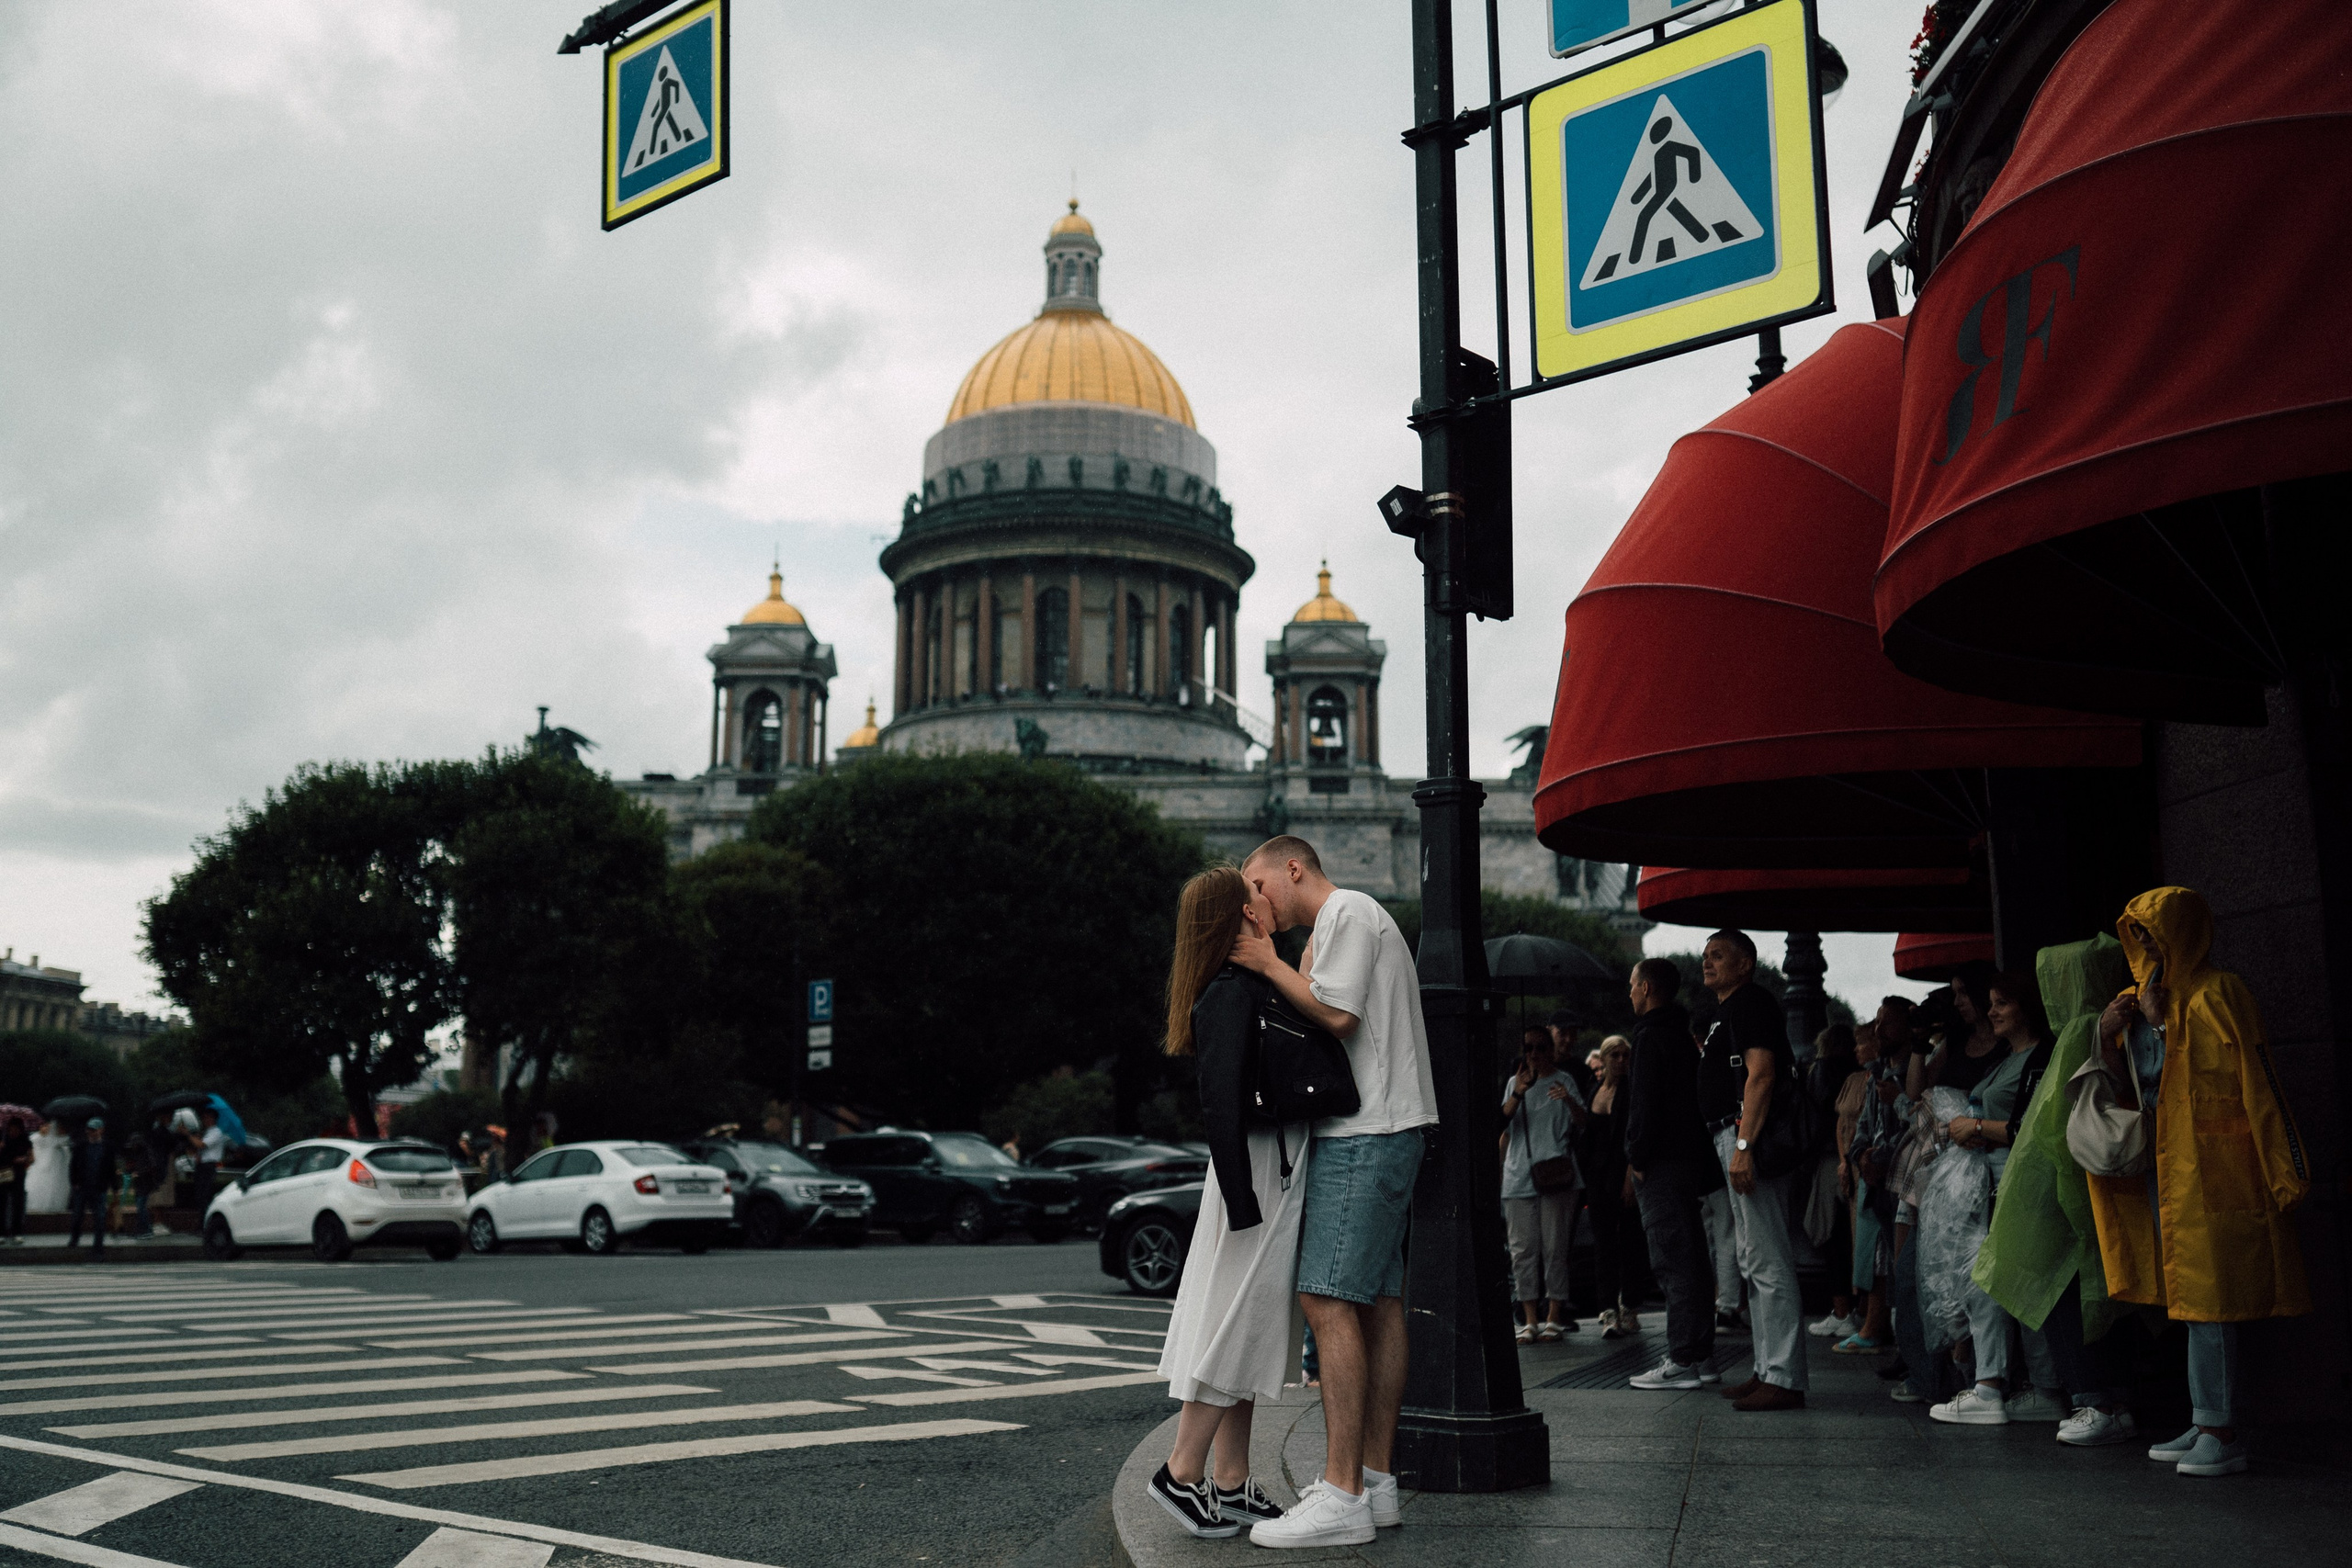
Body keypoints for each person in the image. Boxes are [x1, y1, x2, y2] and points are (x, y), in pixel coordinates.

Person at [1233, 835, 1435, 1548]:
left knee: (1324, 1297)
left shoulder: (1347, 910)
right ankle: (1375, 1483)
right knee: (1378, 1303)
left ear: (1294, 868)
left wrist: (1264, 962)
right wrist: (1284, 964)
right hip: (1386, 1128)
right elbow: (1320, 1008)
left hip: (1366, 1131)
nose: (1253, 900)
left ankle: (1343, 1490)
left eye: (1257, 883)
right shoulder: (1342, 922)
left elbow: (1337, 1015)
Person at [2087, 887, 2310, 1479]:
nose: (2150, 946)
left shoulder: (2219, 993)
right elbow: (2125, 1086)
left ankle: (2220, 1427)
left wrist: (2284, 1169)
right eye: (2140, 936)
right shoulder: (2134, 1001)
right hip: (2166, 1169)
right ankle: (2207, 1417)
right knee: (2191, 1300)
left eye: (2156, 933)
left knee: (2210, 1300)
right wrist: (2108, 1035)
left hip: (2216, 1170)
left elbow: (2254, 1084)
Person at [1148, 865, 1309, 1540]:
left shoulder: (1245, 982)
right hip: (1256, 1172)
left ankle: (1233, 1478)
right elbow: (1220, 1105)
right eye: (1255, 894)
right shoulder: (1231, 992)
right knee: (1236, 1320)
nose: (1266, 900)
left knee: (1250, 1322)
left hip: (1261, 1168)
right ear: (1240, 914)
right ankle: (1182, 1471)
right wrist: (1244, 1198)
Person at [1973, 934, 2141, 1448]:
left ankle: (2094, 1400)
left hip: (2076, 1191)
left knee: (2072, 1296)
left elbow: (2045, 1133)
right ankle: (2111, 1399)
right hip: (2111, 1188)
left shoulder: (2077, 1034)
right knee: (2106, 1294)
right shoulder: (2104, 1027)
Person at [1930, 969, 2068, 1427]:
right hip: (1990, 1182)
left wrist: (1975, 1129)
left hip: (2016, 1182)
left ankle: (2002, 1386)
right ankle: (2020, 1385)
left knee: (2002, 1278)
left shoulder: (2041, 1057)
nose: (1991, 1012)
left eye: (2001, 1004)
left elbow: (2031, 1124)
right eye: (1989, 1003)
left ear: (2024, 1006)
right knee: (1996, 1280)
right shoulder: (2008, 1058)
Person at [1701, 930, 1808, 1411]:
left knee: (1767, 1258)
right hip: (1733, 1134)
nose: (1707, 963)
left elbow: (1762, 1074)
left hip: (1748, 1137)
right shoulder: (1730, 1008)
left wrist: (1744, 1144)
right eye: (1705, 956)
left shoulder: (1752, 1003)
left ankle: (1783, 1375)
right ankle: (1767, 1368)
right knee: (1751, 1258)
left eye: (1718, 955)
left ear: (1745, 964)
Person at [1625, 957, 1727, 1390]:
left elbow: (1645, 1103)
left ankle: (1683, 1358)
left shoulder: (1650, 1037)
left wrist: (1636, 1155)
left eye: (1632, 985)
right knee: (1693, 1257)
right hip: (1688, 1159)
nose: (1629, 992)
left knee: (1672, 1258)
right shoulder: (1681, 1035)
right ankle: (1700, 1355)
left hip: (1662, 1161)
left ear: (1647, 988)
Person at [1500, 1028, 1583, 1341]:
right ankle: (1529, 1318)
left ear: (1551, 1050)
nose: (1535, 1054)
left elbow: (1583, 1122)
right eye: (1529, 1048)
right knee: (1522, 1252)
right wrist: (1520, 1090)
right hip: (1519, 1176)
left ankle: (1553, 1316)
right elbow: (1504, 1124)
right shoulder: (1514, 1082)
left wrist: (1569, 1100)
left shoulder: (1564, 1081)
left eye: (1541, 1047)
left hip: (1557, 1177)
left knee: (1555, 1248)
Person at [1581, 1034, 1646, 1337]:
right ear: (1604, 1059)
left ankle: (1630, 1306)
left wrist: (1630, 1178)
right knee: (1603, 1245)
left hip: (1623, 1174)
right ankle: (1608, 1309)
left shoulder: (1632, 1090)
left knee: (1631, 1243)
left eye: (1625, 1055)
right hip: (1597, 1179)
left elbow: (1633, 1134)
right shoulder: (1594, 1090)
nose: (1621, 1061)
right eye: (1615, 1055)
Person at [1805, 1024, 1863, 1343]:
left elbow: (1820, 1112)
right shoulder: (1858, 1072)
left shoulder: (1822, 1070)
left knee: (1830, 1234)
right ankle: (1858, 1309)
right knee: (1852, 1235)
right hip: (1853, 1157)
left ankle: (1841, 1311)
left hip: (1830, 1158)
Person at [65, 1119, 117, 1253]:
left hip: (98, 1187)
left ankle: (98, 1246)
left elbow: (111, 1168)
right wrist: (74, 1182)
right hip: (82, 1186)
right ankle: (74, 1239)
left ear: (101, 1130)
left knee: (100, 1218)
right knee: (77, 1216)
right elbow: (73, 1166)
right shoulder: (81, 1146)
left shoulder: (107, 1147)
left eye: (94, 1130)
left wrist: (114, 1187)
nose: (91, 1133)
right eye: (89, 1130)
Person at [25, 1119, 70, 1214]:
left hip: (56, 1167)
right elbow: (34, 1143)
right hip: (40, 1165)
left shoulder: (63, 1142)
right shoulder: (38, 1138)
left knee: (55, 1184)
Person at [0, 1115, 30, 1245]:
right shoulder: (3, 1138)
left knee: (18, 1203)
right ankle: (2, 1232)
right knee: (1, 1203)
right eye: (11, 1128)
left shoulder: (25, 1140)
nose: (13, 1131)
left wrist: (23, 1160)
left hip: (18, 1174)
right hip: (4, 1172)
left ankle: (17, 1232)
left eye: (16, 1129)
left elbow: (31, 1157)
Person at [189, 1106, 225, 1214]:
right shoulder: (207, 1132)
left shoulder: (216, 1132)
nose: (204, 1120)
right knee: (199, 1195)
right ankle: (201, 1219)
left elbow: (201, 1145)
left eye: (206, 1118)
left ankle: (205, 1220)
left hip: (208, 1166)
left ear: (212, 1118)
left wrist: (188, 1135)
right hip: (201, 1165)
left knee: (205, 1194)